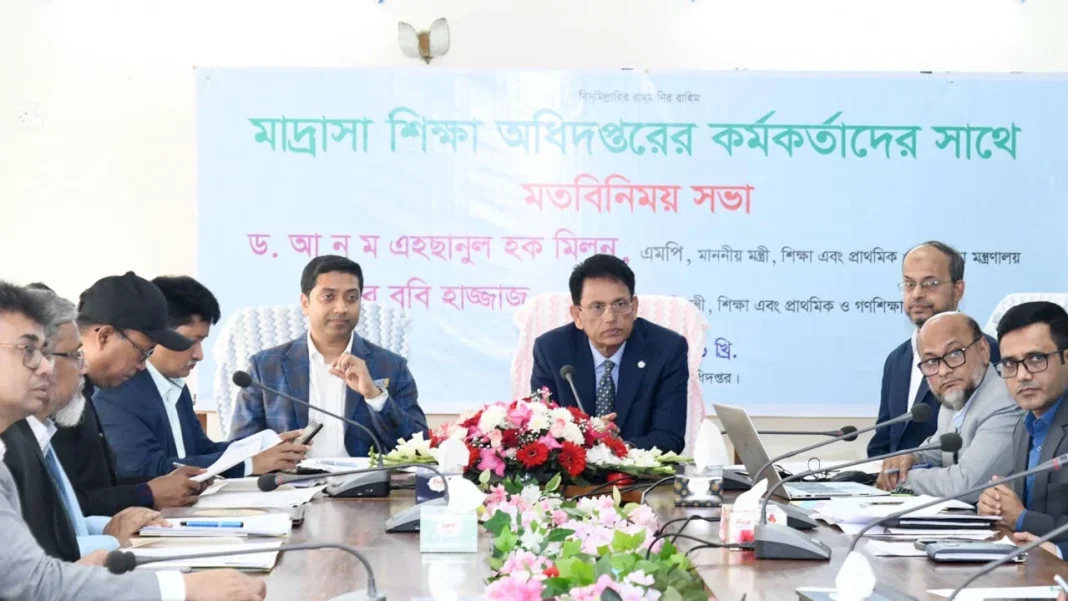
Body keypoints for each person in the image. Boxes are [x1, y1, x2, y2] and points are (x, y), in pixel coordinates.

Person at [0, 280, 265, 601]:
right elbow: (33, 582)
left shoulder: (38, 428)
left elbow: (53, 539)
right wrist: (182, 588)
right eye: (30, 351)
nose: (45, 367)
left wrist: (110, 528)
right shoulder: (17, 440)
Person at [4, 286, 167, 561]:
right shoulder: (11, 445)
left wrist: (112, 525)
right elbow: (35, 563)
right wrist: (111, 539)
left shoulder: (39, 431)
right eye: (74, 355)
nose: (85, 367)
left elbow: (65, 526)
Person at [96, 276, 309, 479]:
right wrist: (249, 463)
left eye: (202, 342)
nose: (199, 355)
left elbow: (202, 451)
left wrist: (263, 447)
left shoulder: (176, 387)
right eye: (190, 341)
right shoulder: (117, 392)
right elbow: (146, 470)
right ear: (158, 334)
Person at [230, 256, 427, 456]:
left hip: (365, 476)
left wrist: (375, 396)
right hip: (290, 476)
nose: (341, 308)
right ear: (305, 303)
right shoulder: (265, 367)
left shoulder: (391, 366)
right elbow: (239, 450)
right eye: (328, 296)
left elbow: (419, 448)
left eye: (352, 297)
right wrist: (269, 454)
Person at [51, 272, 205, 516]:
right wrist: (146, 494)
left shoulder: (84, 393)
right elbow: (59, 507)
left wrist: (159, 485)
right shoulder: (54, 402)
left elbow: (100, 485)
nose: (143, 366)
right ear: (104, 336)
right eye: (143, 352)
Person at [530, 254, 688, 453]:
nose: (610, 317)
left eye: (620, 304)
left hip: (639, 468)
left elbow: (669, 436)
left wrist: (620, 449)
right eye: (597, 307)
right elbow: (542, 430)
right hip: (574, 467)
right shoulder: (551, 350)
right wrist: (587, 436)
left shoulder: (667, 349)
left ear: (634, 307)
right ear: (577, 315)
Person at [867, 241, 1000, 458]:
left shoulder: (985, 352)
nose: (917, 294)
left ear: (958, 290)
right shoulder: (897, 359)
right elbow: (883, 442)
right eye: (909, 284)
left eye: (930, 283)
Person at [874, 312, 1020, 501]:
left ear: (983, 350)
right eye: (932, 361)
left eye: (954, 354)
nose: (943, 371)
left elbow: (964, 485)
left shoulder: (1006, 401)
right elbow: (937, 450)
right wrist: (909, 458)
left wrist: (900, 480)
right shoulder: (953, 400)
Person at [978, 301, 1068, 542]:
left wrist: (1021, 518)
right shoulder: (1024, 427)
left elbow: (1023, 516)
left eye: (1036, 358)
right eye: (1010, 363)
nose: (1022, 375)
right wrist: (996, 506)